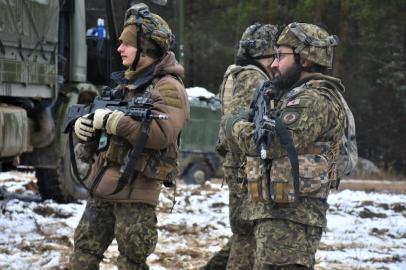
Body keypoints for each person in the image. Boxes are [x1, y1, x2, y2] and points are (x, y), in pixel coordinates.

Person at [222, 22, 357, 269]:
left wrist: (235, 125)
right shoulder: (294, 96)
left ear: (305, 59)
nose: (273, 64)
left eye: (280, 56)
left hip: (291, 222)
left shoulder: (312, 99)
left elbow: (270, 144)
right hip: (279, 216)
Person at [69, 3, 189, 270]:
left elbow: (161, 134)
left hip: (137, 193)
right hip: (103, 188)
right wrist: (84, 129)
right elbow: (105, 126)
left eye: (127, 44)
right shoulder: (126, 84)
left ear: (147, 48)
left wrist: (117, 123)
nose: (119, 48)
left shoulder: (168, 87)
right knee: (83, 254)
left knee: (131, 262)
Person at [202, 23, 278, 270]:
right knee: (247, 237)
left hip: (241, 167)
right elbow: (240, 126)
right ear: (266, 55)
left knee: (243, 235)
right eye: (275, 55)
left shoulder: (238, 74)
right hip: (246, 169)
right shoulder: (252, 78)